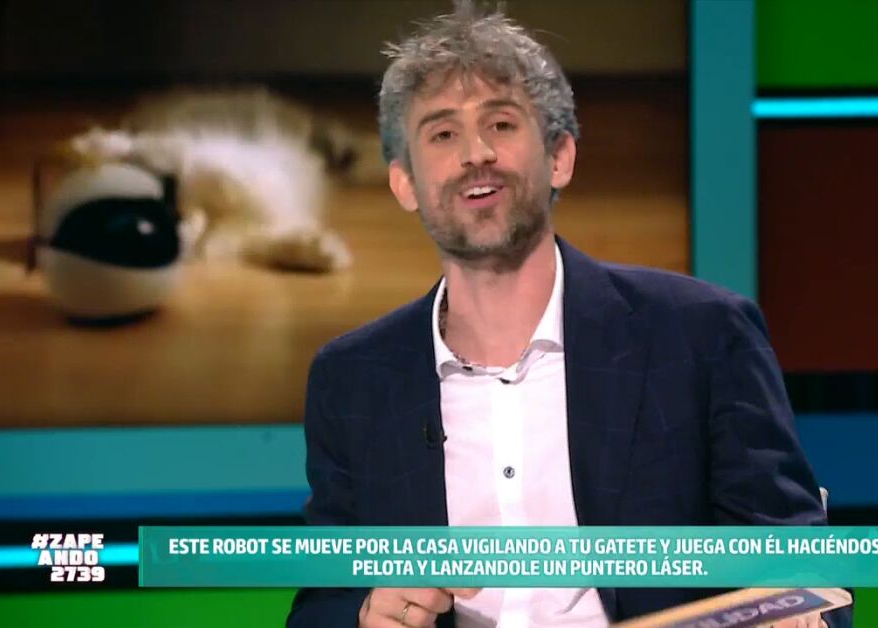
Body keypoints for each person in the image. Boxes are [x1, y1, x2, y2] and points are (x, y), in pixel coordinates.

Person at [288, 2, 848, 626]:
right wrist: (366, 613)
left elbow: (800, 569)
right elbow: (320, 605)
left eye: (501, 124)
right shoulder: (352, 379)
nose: (476, 154)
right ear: (404, 183)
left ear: (560, 157)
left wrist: (796, 609)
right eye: (442, 134)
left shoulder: (703, 336)